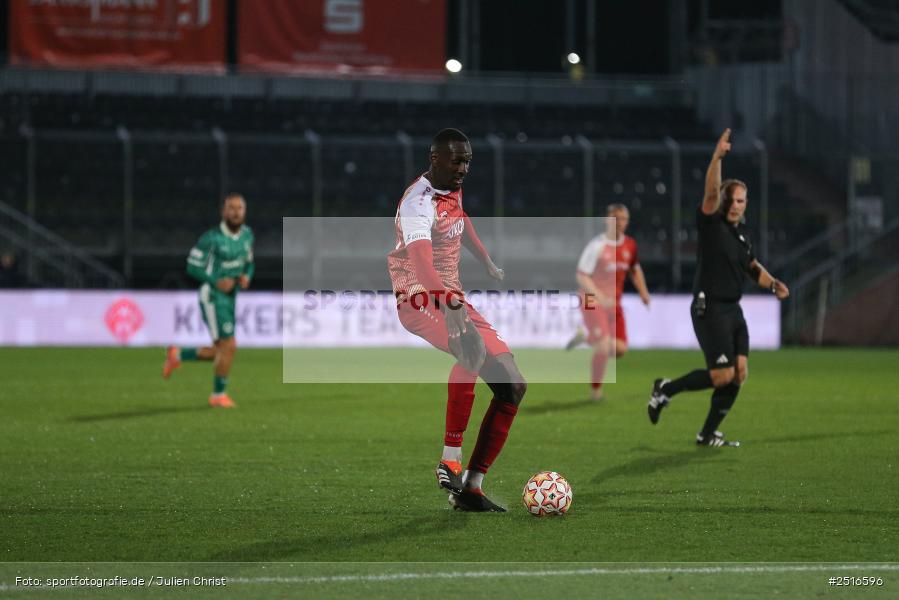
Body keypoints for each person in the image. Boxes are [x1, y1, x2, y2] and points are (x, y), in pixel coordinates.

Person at [387, 128, 526, 512]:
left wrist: (485, 260)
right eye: (457, 161)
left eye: (467, 161)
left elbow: (461, 220)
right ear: (435, 159)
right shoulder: (418, 202)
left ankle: (471, 490)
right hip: (420, 296)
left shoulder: (452, 187)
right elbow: (421, 264)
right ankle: (450, 460)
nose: (463, 168)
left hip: (451, 297)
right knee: (472, 348)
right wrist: (449, 304)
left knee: (513, 386)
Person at [647, 129, 789, 446]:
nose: (735, 204)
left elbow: (752, 267)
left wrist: (773, 284)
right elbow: (711, 192)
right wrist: (717, 158)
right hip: (709, 307)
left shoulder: (742, 238)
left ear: (746, 203)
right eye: (731, 199)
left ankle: (707, 434)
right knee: (722, 375)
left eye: (741, 200)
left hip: (733, 311)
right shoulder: (712, 224)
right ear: (723, 201)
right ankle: (665, 389)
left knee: (739, 373)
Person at [163, 193, 255, 408]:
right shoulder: (211, 238)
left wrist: (246, 276)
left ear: (244, 211)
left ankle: (177, 355)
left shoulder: (247, 235)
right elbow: (192, 266)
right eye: (231, 208)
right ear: (223, 212)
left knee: (218, 350)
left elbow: (249, 262)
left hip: (231, 296)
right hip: (213, 296)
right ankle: (218, 395)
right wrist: (215, 281)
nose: (236, 212)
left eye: (239, 208)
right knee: (229, 346)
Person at [566, 204, 651, 401]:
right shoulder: (596, 246)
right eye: (615, 218)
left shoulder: (630, 245)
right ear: (607, 220)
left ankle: (586, 337)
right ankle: (596, 392)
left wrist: (643, 292)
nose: (619, 222)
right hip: (590, 298)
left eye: (623, 219)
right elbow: (582, 276)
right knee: (604, 346)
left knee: (620, 349)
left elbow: (635, 269)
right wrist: (599, 296)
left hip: (613, 303)